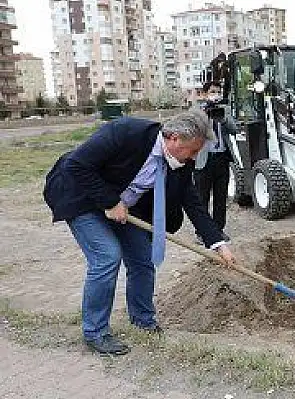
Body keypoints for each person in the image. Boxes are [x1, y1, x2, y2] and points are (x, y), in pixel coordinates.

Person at [43, 110, 236, 355]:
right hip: (82, 197)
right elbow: (77, 165)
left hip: (124, 208)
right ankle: (95, 332)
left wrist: (218, 244)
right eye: (194, 150)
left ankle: (142, 320)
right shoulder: (125, 133)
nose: (195, 157)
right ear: (174, 138)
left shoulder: (180, 164)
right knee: (107, 257)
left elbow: (193, 204)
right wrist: (110, 202)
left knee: (142, 260)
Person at [194, 81, 237, 234]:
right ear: (205, 94)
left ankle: (218, 230)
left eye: (218, 91)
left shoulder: (225, 109)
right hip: (203, 160)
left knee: (221, 198)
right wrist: (205, 117)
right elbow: (192, 132)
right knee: (202, 199)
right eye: (212, 91)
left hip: (222, 159)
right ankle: (202, 232)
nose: (216, 94)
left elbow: (234, 129)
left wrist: (223, 119)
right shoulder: (197, 111)